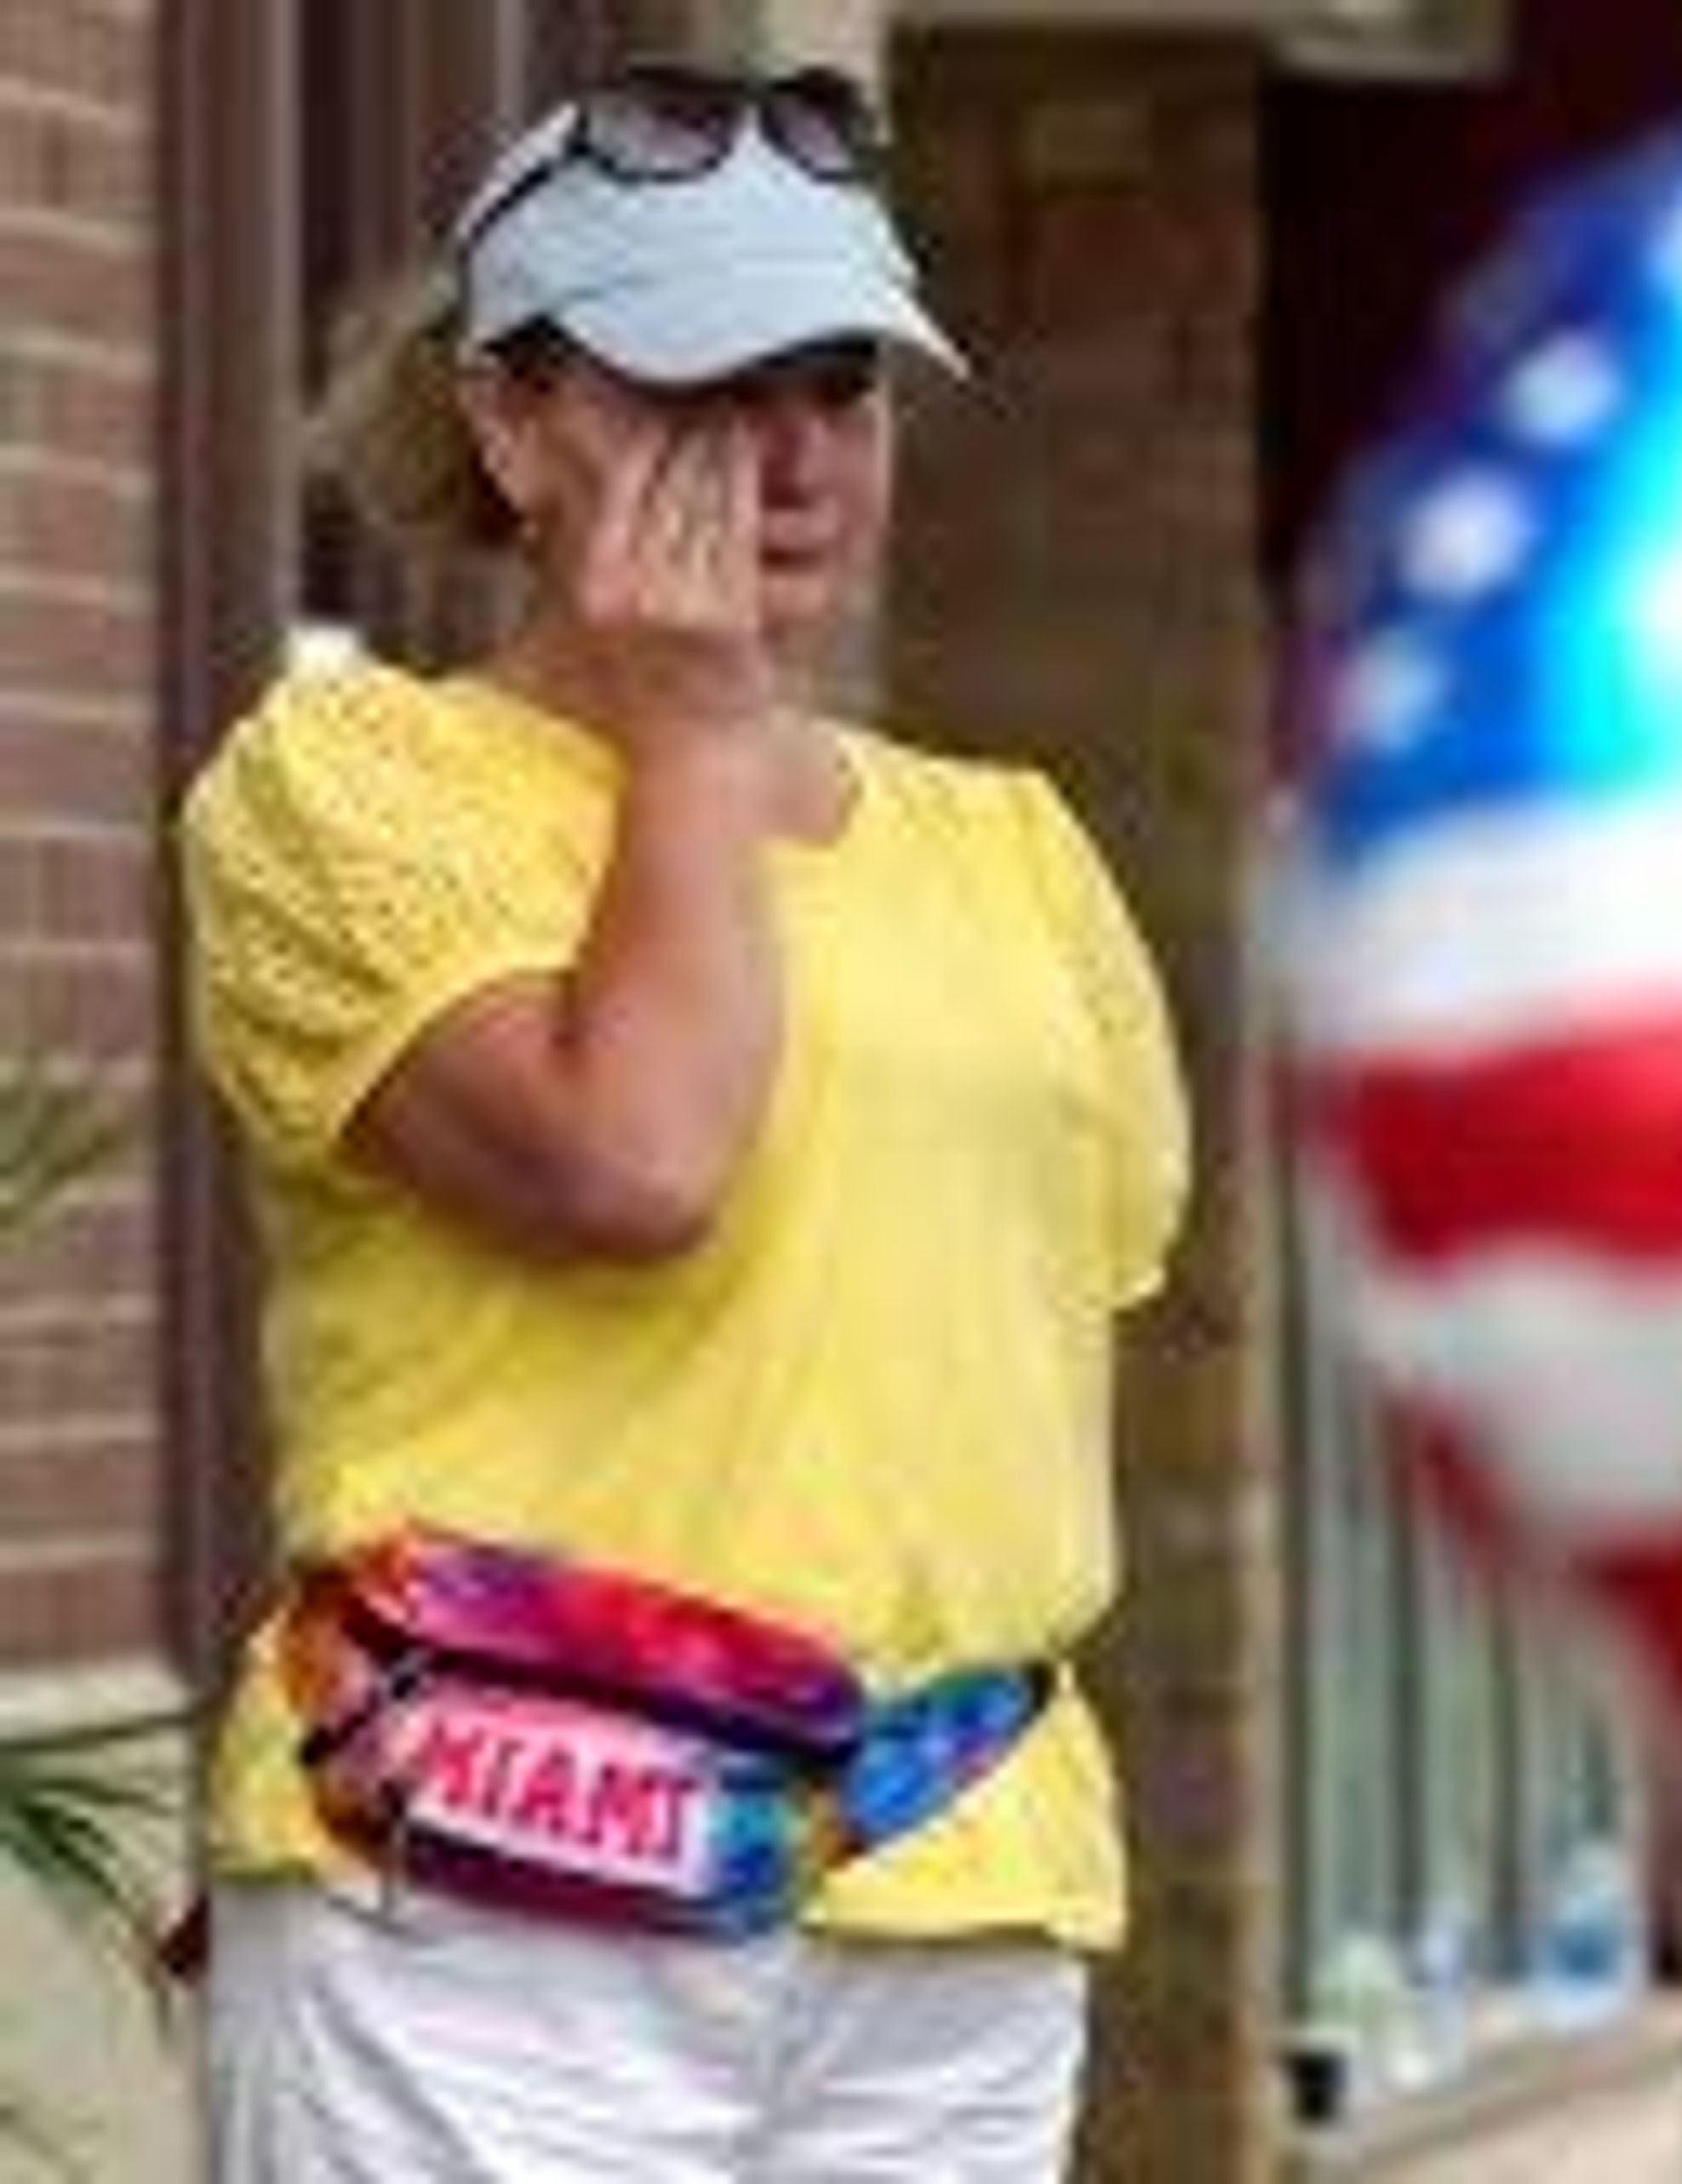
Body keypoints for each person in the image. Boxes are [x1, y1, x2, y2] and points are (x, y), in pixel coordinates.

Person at [178, 57, 1187, 2181]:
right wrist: (701, 722)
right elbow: (634, 1162)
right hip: (485, 1892)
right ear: (511, 418)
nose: (789, 453)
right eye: (698, 380)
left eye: (839, 380)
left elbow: (993, 1362)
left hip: (953, 1894)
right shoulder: (345, 785)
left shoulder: (1014, 848)